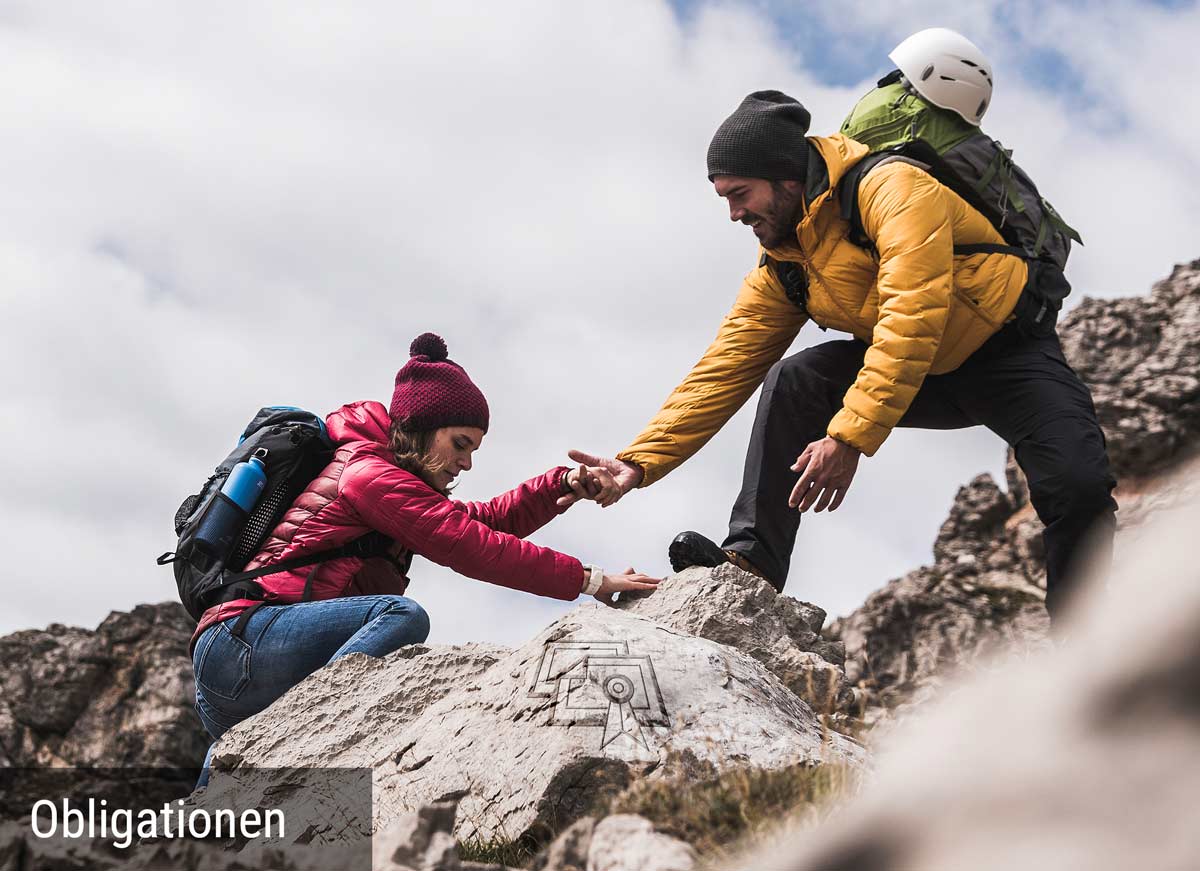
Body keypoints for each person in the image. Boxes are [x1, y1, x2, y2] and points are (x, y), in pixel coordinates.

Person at [571, 89, 1117, 624]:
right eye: (724, 198)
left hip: (1008, 357)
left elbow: (914, 311)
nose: (734, 213)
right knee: (795, 379)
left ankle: (1081, 644)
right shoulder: (785, 261)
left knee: (1078, 484)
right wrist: (638, 462)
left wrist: (848, 437)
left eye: (740, 193)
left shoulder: (892, 188)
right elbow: (725, 366)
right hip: (912, 370)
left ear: (785, 177)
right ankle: (752, 562)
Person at [191, 333, 661, 783]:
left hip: (240, 670)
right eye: (460, 444)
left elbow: (483, 523)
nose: (468, 463)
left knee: (217, 826)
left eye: (474, 449)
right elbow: (470, 545)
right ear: (421, 427)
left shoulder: (391, 482)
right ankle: (312, 731)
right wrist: (590, 580)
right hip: (244, 643)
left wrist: (560, 484)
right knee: (401, 616)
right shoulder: (369, 475)